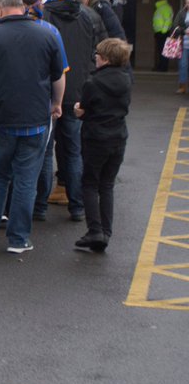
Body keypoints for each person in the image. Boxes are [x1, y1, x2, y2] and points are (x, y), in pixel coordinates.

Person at [0, 0, 65, 253]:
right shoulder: (48, 35)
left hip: (0, 117)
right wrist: (56, 104)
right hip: (36, 118)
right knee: (26, 178)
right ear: (22, 7)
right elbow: (58, 75)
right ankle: (19, 239)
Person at [38, 0, 106, 221]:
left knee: (45, 152)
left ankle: (40, 207)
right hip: (78, 91)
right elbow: (95, 52)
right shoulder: (87, 15)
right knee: (74, 151)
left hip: (50, 92)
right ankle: (77, 207)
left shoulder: (43, 16)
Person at [74, 38, 133, 253]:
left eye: (97, 55)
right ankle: (106, 232)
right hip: (118, 136)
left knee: (90, 183)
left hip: (96, 137)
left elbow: (84, 109)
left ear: (105, 59)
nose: (95, 57)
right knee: (107, 185)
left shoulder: (93, 83)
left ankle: (94, 230)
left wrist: (78, 110)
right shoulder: (126, 80)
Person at [153, 0, 173, 73]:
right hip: (159, 32)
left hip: (162, 32)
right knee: (161, 50)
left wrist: (163, 31)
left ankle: (163, 67)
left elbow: (168, 20)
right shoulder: (161, 7)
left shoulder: (165, 7)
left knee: (163, 50)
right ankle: (161, 66)